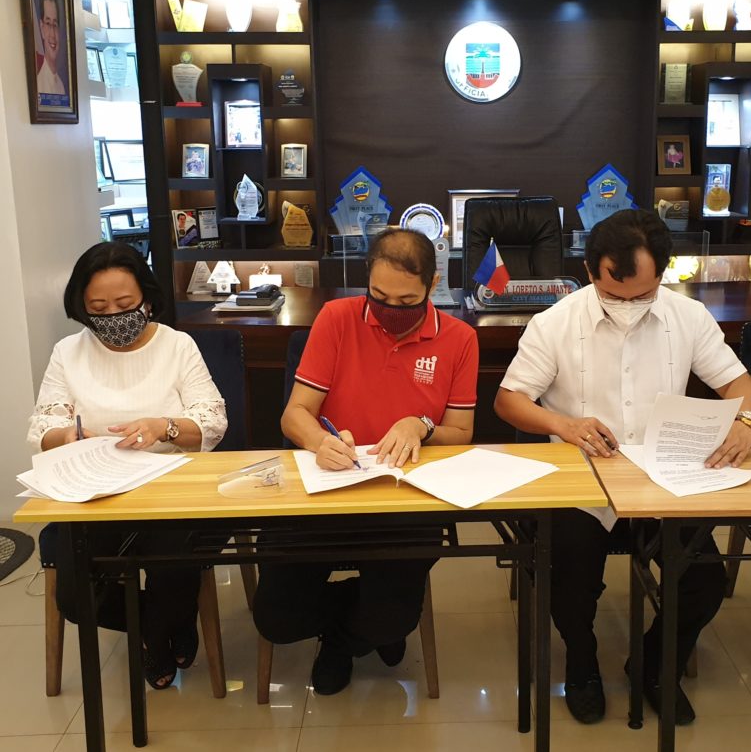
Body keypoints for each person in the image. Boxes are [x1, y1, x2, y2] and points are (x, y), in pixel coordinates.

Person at [495, 208, 751, 725]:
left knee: (704, 580)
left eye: (644, 295)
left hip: (663, 479)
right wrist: (565, 424)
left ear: (662, 274)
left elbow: (738, 384)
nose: (631, 307)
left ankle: (654, 665)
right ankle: (583, 661)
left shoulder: (687, 317)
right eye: (617, 296)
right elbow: (509, 400)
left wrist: (745, 422)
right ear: (593, 271)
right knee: (569, 574)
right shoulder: (556, 322)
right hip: (582, 481)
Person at [253, 228, 479, 696]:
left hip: (404, 498)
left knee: (392, 615)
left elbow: (462, 432)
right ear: (366, 282)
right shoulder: (337, 318)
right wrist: (319, 442)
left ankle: (343, 643)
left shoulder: (459, 339)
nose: (391, 309)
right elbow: (294, 415)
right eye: (378, 295)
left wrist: (421, 424)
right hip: (326, 489)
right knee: (276, 618)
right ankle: (367, 623)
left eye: (406, 299)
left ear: (432, 286)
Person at [27, 241, 227, 689]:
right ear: (81, 306)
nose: (112, 316)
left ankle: (157, 640)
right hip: (94, 493)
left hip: (171, 490)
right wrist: (73, 437)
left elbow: (212, 422)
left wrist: (165, 427)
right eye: (98, 307)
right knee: (76, 598)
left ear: (147, 299)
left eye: (124, 304)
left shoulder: (177, 346)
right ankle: (162, 626)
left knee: (174, 563)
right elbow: (43, 428)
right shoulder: (68, 353)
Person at [35, 0, 66, 96]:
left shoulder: (61, 86)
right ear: (42, 28)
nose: (52, 34)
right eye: (48, 23)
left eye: (55, 24)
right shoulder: (37, 82)